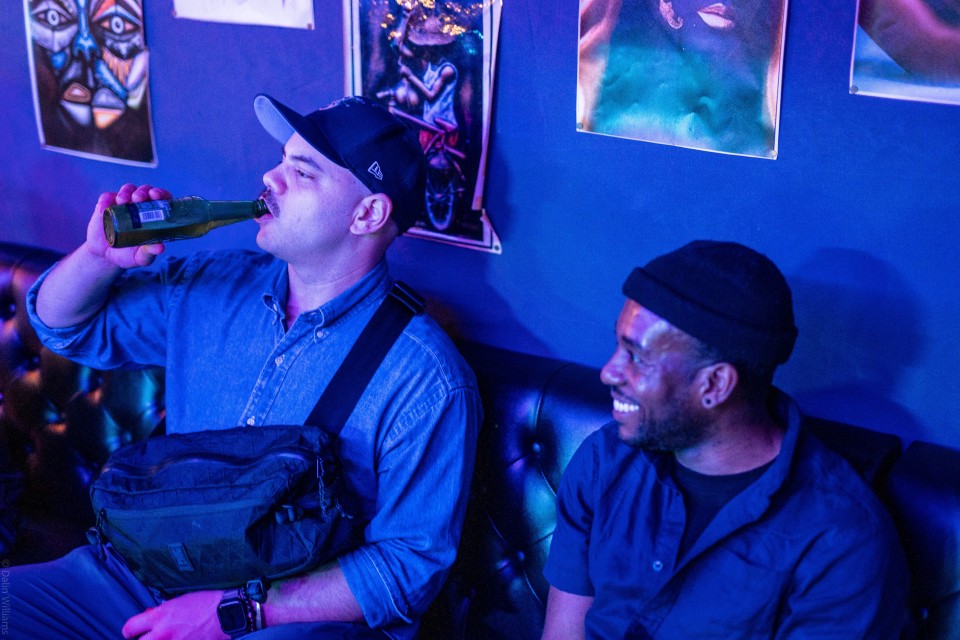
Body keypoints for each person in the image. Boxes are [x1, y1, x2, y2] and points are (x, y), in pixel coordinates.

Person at [9, 94, 481, 639]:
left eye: (301, 172)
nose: (270, 178)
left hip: (280, 617)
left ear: (367, 214)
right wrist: (99, 258)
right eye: (281, 160)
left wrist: (234, 612)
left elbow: (408, 567)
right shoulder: (212, 285)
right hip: (140, 577)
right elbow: (63, 327)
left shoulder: (427, 378)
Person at [540, 240, 909, 639]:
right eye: (618, 345)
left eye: (638, 357)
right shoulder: (606, 460)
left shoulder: (841, 540)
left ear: (715, 384)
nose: (609, 373)